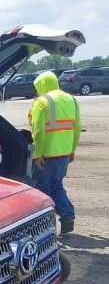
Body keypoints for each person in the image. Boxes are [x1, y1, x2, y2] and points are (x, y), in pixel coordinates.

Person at [28, 71, 81, 234]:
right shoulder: (71, 100)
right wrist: (72, 149)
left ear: (41, 85)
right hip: (64, 153)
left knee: (42, 189)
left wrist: (37, 153)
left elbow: (38, 131)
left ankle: (44, 226)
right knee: (57, 186)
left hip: (46, 155)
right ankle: (67, 215)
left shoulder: (42, 102)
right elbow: (77, 128)